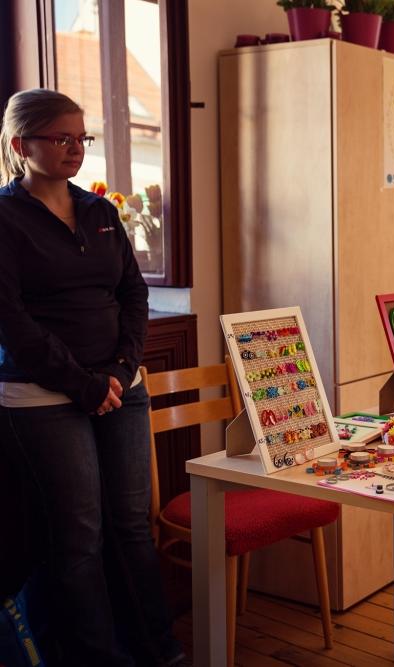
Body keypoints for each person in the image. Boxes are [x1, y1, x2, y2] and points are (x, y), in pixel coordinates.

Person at [0, 89, 186, 666]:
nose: (76, 148)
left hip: (120, 389)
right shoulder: (4, 218)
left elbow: (133, 293)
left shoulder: (100, 212)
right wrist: (84, 384)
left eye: (82, 137)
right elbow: (12, 321)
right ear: (20, 145)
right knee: (79, 537)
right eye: (61, 138)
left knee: (131, 525)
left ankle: (159, 651)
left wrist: (122, 369)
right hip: (42, 398)